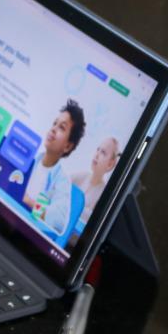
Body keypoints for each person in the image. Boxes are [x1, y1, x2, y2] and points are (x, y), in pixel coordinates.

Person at [21, 99, 86, 240]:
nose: (53, 129)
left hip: (26, 237)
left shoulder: (62, 180)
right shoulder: (31, 160)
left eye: (61, 127)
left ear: (68, 146)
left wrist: (28, 201)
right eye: (54, 123)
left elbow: (59, 221)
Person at [71, 136, 121, 232]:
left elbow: (92, 220)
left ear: (110, 164)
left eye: (103, 152)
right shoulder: (81, 176)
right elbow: (58, 186)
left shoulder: (104, 194)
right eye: (98, 149)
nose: (97, 154)